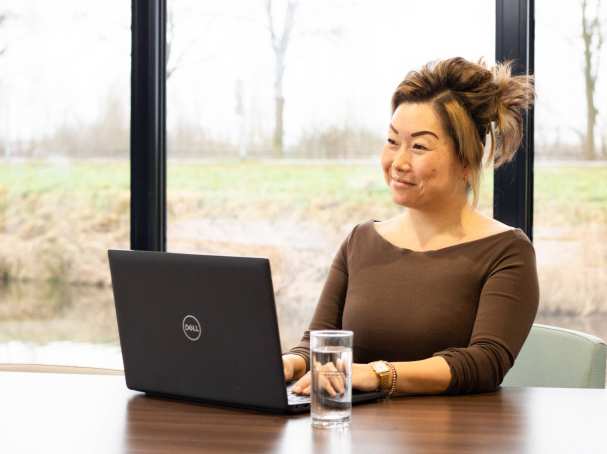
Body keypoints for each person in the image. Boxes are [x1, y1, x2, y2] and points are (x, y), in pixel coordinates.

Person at [281, 56, 539, 397]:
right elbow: (317, 345)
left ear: (466, 160)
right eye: (392, 142)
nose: (398, 162)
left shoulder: (507, 251)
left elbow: (485, 362)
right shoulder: (361, 240)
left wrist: (380, 374)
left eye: (419, 146)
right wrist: (288, 363)